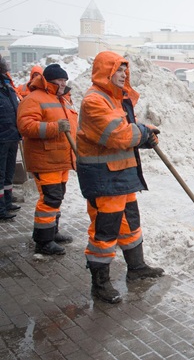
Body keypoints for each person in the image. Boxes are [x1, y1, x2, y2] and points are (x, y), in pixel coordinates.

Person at [76, 51, 163, 304]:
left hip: (121, 175)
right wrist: (142, 132)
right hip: (104, 179)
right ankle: (100, 284)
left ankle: (136, 268)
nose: (124, 74)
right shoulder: (94, 101)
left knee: (130, 223)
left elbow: (124, 135)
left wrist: (142, 139)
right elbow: (117, 135)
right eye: (119, 70)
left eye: (126, 70)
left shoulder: (116, 100)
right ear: (106, 72)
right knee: (105, 232)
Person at [17, 64, 77, 255]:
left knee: (57, 196)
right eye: (59, 81)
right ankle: (43, 242)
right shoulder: (34, 98)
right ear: (48, 81)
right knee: (49, 198)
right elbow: (25, 126)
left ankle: (52, 231)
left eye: (64, 81)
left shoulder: (62, 100)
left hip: (61, 158)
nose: (62, 84)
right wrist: (54, 127)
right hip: (45, 158)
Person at [0, 55, 22, 221]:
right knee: (0, 173)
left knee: (8, 172)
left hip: (12, 134)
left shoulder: (6, 83)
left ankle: (7, 201)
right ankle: (1, 208)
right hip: (2, 135)